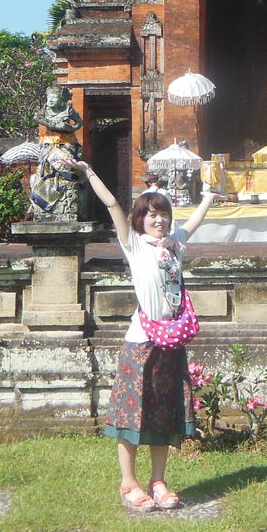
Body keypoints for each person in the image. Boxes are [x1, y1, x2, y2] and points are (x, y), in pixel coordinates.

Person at [81, 161, 217, 512]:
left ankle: (158, 481)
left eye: (164, 214)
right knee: (131, 414)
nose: (159, 220)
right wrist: (89, 172)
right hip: (141, 342)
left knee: (163, 413)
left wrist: (209, 196)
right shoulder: (135, 245)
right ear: (140, 219)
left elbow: (193, 223)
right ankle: (128, 483)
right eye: (152, 215)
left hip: (171, 341)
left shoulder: (174, 246)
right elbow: (113, 204)